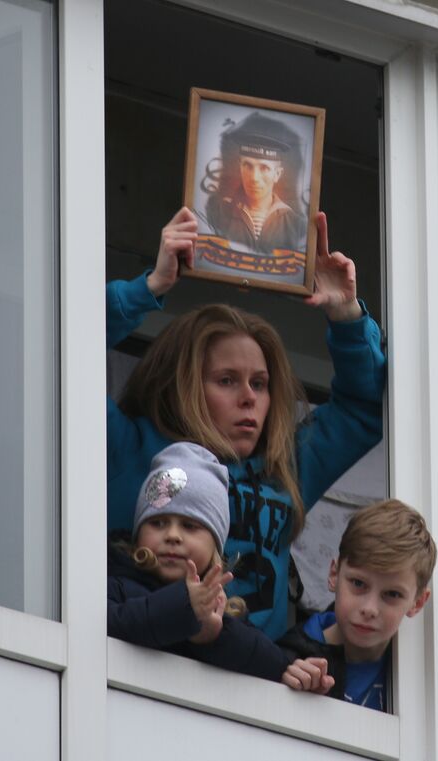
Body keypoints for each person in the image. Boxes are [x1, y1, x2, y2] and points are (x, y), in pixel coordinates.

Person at [106, 207, 385, 641]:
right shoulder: (130, 446)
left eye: (260, 383)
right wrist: (150, 287)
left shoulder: (284, 468)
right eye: (226, 380)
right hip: (139, 672)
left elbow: (363, 409)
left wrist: (347, 317)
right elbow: (62, 347)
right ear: (181, 385)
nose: (249, 398)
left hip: (251, 691)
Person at [106, 442, 290, 680]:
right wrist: (184, 607)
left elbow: (269, 664)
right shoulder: (115, 581)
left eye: (190, 526)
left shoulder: (223, 609)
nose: (172, 535)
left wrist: (212, 636)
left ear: (215, 544)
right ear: (138, 533)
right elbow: (109, 623)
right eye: (158, 523)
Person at [278, 499, 436, 711]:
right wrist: (282, 686)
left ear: (417, 603)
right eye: (358, 583)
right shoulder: (292, 656)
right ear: (334, 574)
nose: (369, 609)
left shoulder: (429, 676)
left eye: (392, 594)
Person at [203, 112, 307, 254]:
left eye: (264, 168)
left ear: (277, 174)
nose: (254, 177)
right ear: (240, 166)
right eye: (248, 166)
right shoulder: (218, 212)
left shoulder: (296, 225)